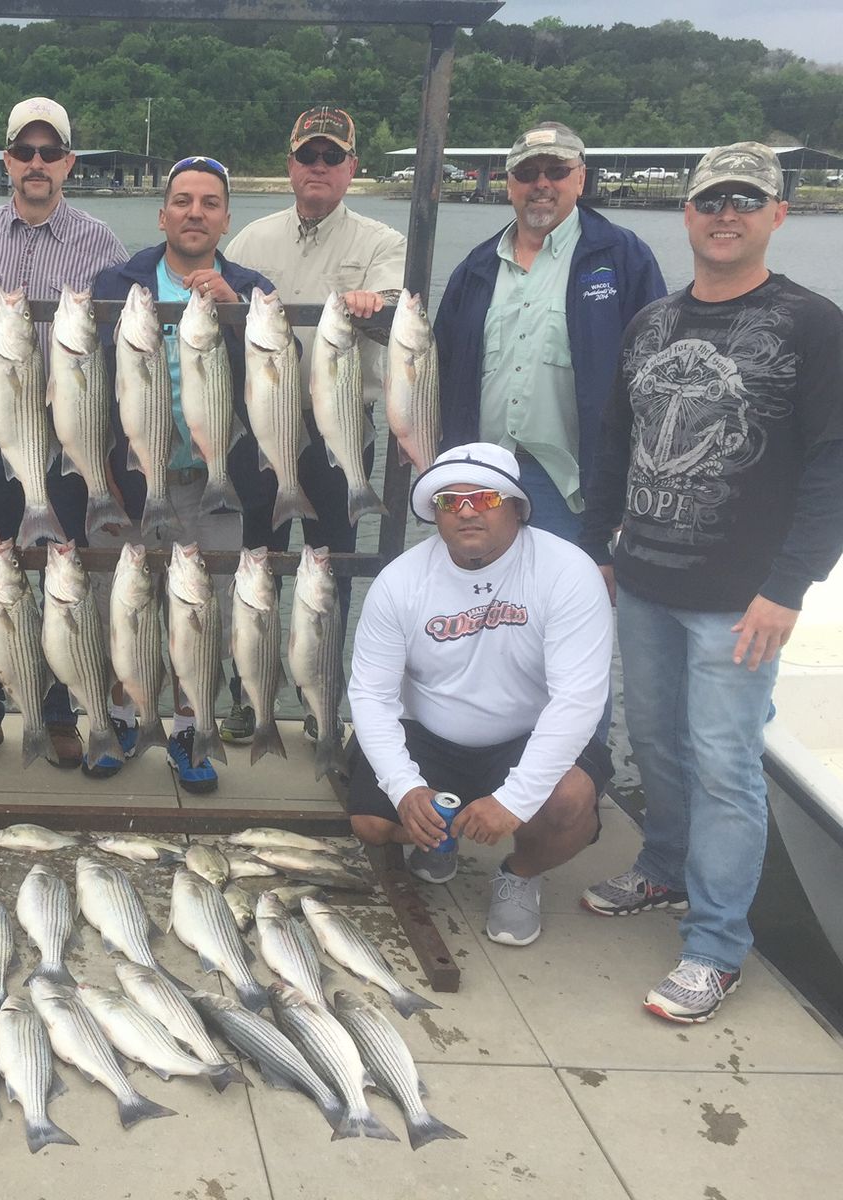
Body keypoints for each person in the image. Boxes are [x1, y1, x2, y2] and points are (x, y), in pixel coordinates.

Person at [577, 143, 843, 1023]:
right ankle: (664, 866)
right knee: (656, 743)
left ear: (778, 215)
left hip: (742, 599)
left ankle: (718, 944)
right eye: (711, 199)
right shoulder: (650, 321)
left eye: (746, 199)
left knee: (728, 767)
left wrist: (789, 586)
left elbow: (833, 464)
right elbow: (614, 441)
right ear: (687, 214)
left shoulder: (812, 324)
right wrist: (599, 545)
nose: (726, 214)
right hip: (647, 580)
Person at [346, 443, 613, 947]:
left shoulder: (569, 572)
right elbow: (371, 696)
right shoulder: (398, 581)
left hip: (526, 735)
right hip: (429, 733)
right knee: (370, 823)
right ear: (436, 515)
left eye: (485, 498)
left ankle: (520, 873)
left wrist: (514, 801)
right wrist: (406, 789)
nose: (467, 511)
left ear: (517, 507)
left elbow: (577, 701)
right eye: (450, 502)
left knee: (568, 804)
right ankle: (441, 836)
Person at [91, 154, 276, 793]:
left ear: (226, 219)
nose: (195, 213)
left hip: (214, 480)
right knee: (123, 606)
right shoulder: (118, 282)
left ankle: (190, 731)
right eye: (183, 201)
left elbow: (282, 374)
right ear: (162, 214)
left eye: (209, 203)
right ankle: (122, 720)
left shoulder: (252, 287)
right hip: (133, 478)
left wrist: (239, 314)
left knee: (205, 614)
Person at [0, 96, 130, 769]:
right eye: (24, 151)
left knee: (64, 579)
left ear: (68, 163)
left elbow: (121, 343)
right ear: (7, 160)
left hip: (66, 442)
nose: (36, 163)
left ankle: (57, 711)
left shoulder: (101, 243)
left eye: (48, 152)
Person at [224, 104, 407, 744]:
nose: (319, 166)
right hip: (261, 429)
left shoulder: (382, 243)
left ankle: (320, 698)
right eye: (308, 155)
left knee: (330, 572)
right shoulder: (250, 241)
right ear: (291, 165)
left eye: (333, 156)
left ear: (352, 167)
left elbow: (398, 314)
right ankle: (248, 695)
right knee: (255, 566)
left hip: (341, 433)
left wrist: (374, 305)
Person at [435, 120, 666, 542]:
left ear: (580, 178)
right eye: (527, 173)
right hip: (482, 481)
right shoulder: (474, 268)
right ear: (509, 185)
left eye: (556, 171)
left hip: (576, 486)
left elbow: (657, 379)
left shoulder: (625, 258)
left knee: (576, 586)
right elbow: (441, 369)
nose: (541, 183)